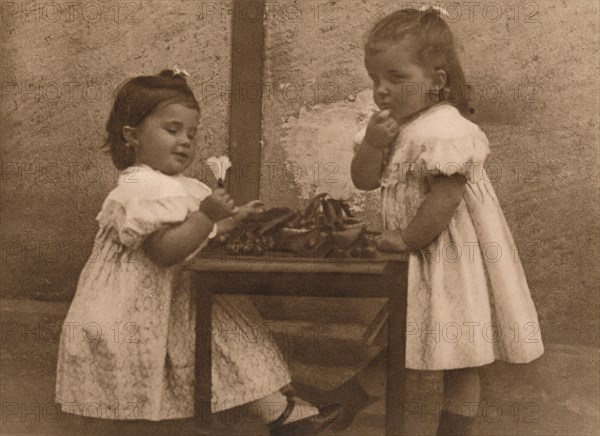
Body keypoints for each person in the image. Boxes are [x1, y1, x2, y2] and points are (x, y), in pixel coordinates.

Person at [55, 69, 339, 435]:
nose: (185, 142)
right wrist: (207, 215)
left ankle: (281, 408)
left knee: (232, 331)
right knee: (213, 342)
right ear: (132, 136)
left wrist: (231, 221)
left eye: (191, 133)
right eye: (172, 130)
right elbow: (164, 250)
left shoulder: (178, 185)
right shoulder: (139, 188)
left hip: (174, 293)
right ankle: (280, 413)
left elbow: (194, 235)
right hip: (132, 304)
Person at [333, 8, 544, 435]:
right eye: (375, 79)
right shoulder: (392, 127)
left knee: (463, 356)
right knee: (406, 339)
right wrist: (373, 144)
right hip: (421, 258)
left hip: (452, 257)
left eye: (396, 78)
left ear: (437, 81)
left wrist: (408, 239)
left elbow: (447, 198)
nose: (382, 90)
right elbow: (365, 179)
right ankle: (346, 401)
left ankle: (450, 430)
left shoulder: (446, 128)